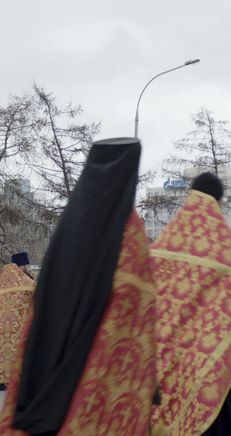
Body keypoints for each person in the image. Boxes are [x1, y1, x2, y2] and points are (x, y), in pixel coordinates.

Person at [0, 138, 157, 435]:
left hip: (46, 368)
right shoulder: (129, 234)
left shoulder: (70, 224)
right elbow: (137, 311)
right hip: (99, 380)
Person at [150, 173, 231, 435]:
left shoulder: (161, 248)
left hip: (157, 369)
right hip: (207, 379)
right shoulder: (227, 258)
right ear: (218, 202)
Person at [0, 255, 35, 391]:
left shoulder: (2, 281)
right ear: (22, 266)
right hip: (19, 329)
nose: (29, 268)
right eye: (28, 266)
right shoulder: (28, 283)